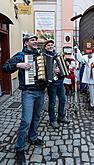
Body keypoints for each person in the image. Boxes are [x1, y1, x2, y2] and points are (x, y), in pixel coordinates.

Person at [3, 33, 46, 165]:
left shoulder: (41, 54)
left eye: (36, 40)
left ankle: (32, 137)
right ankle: (19, 148)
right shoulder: (21, 56)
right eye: (32, 40)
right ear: (26, 42)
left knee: (36, 117)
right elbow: (5, 67)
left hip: (41, 91)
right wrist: (18, 65)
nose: (35, 41)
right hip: (28, 92)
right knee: (26, 120)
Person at [43, 39, 70, 129]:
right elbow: (42, 69)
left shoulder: (57, 55)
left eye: (52, 45)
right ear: (45, 47)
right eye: (48, 45)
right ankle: (53, 120)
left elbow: (64, 66)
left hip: (60, 81)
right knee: (52, 102)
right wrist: (52, 70)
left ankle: (61, 117)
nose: (50, 46)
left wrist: (66, 64)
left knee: (63, 100)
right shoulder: (43, 56)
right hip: (51, 83)